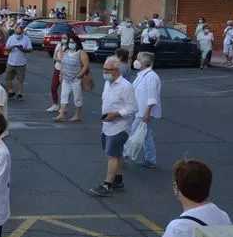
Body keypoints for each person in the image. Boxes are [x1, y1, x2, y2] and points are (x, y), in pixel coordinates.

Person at [88, 56, 138, 197]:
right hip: (107, 125)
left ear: (116, 70)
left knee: (112, 155)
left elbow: (133, 108)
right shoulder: (107, 83)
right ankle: (118, 180)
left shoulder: (126, 86)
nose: (104, 72)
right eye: (104, 69)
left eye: (107, 70)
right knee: (117, 153)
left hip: (120, 127)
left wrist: (116, 114)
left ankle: (107, 185)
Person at [128, 51, 161, 168]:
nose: (136, 61)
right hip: (139, 111)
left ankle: (123, 156)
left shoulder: (151, 77)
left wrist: (147, 113)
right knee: (146, 135)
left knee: (132, 133)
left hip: (144, 112)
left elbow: (152, 98)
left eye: (139, 59)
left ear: (145, 62)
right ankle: (150, 159)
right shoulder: (141, 75)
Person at [53, 35, 90, 123]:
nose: (71, 44)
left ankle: (77, 115)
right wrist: (61, 75)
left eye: (73, 42)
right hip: (66, 78)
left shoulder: (81, 53)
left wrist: (80, 75)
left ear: (77, 43)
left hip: (76, 78)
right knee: (64, 95)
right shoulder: (67, 51)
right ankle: (61, 114)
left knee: (77, 97)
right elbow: (63, 64)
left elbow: (86, 65)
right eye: (70, 42)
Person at [3, 24, 33, 99]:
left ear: (22, 31)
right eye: (18, 29)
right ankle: (11, 91)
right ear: (15, 30)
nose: (19, 30)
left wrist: (23, 49)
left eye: (21, 29)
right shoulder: (11, 38)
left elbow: (30, 49)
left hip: (21, 63)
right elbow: (6, 48)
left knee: (20, 79)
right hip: (11, 62)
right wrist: (13, 46)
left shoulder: (26, 39)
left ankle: (20, 93)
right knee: (8, 78)